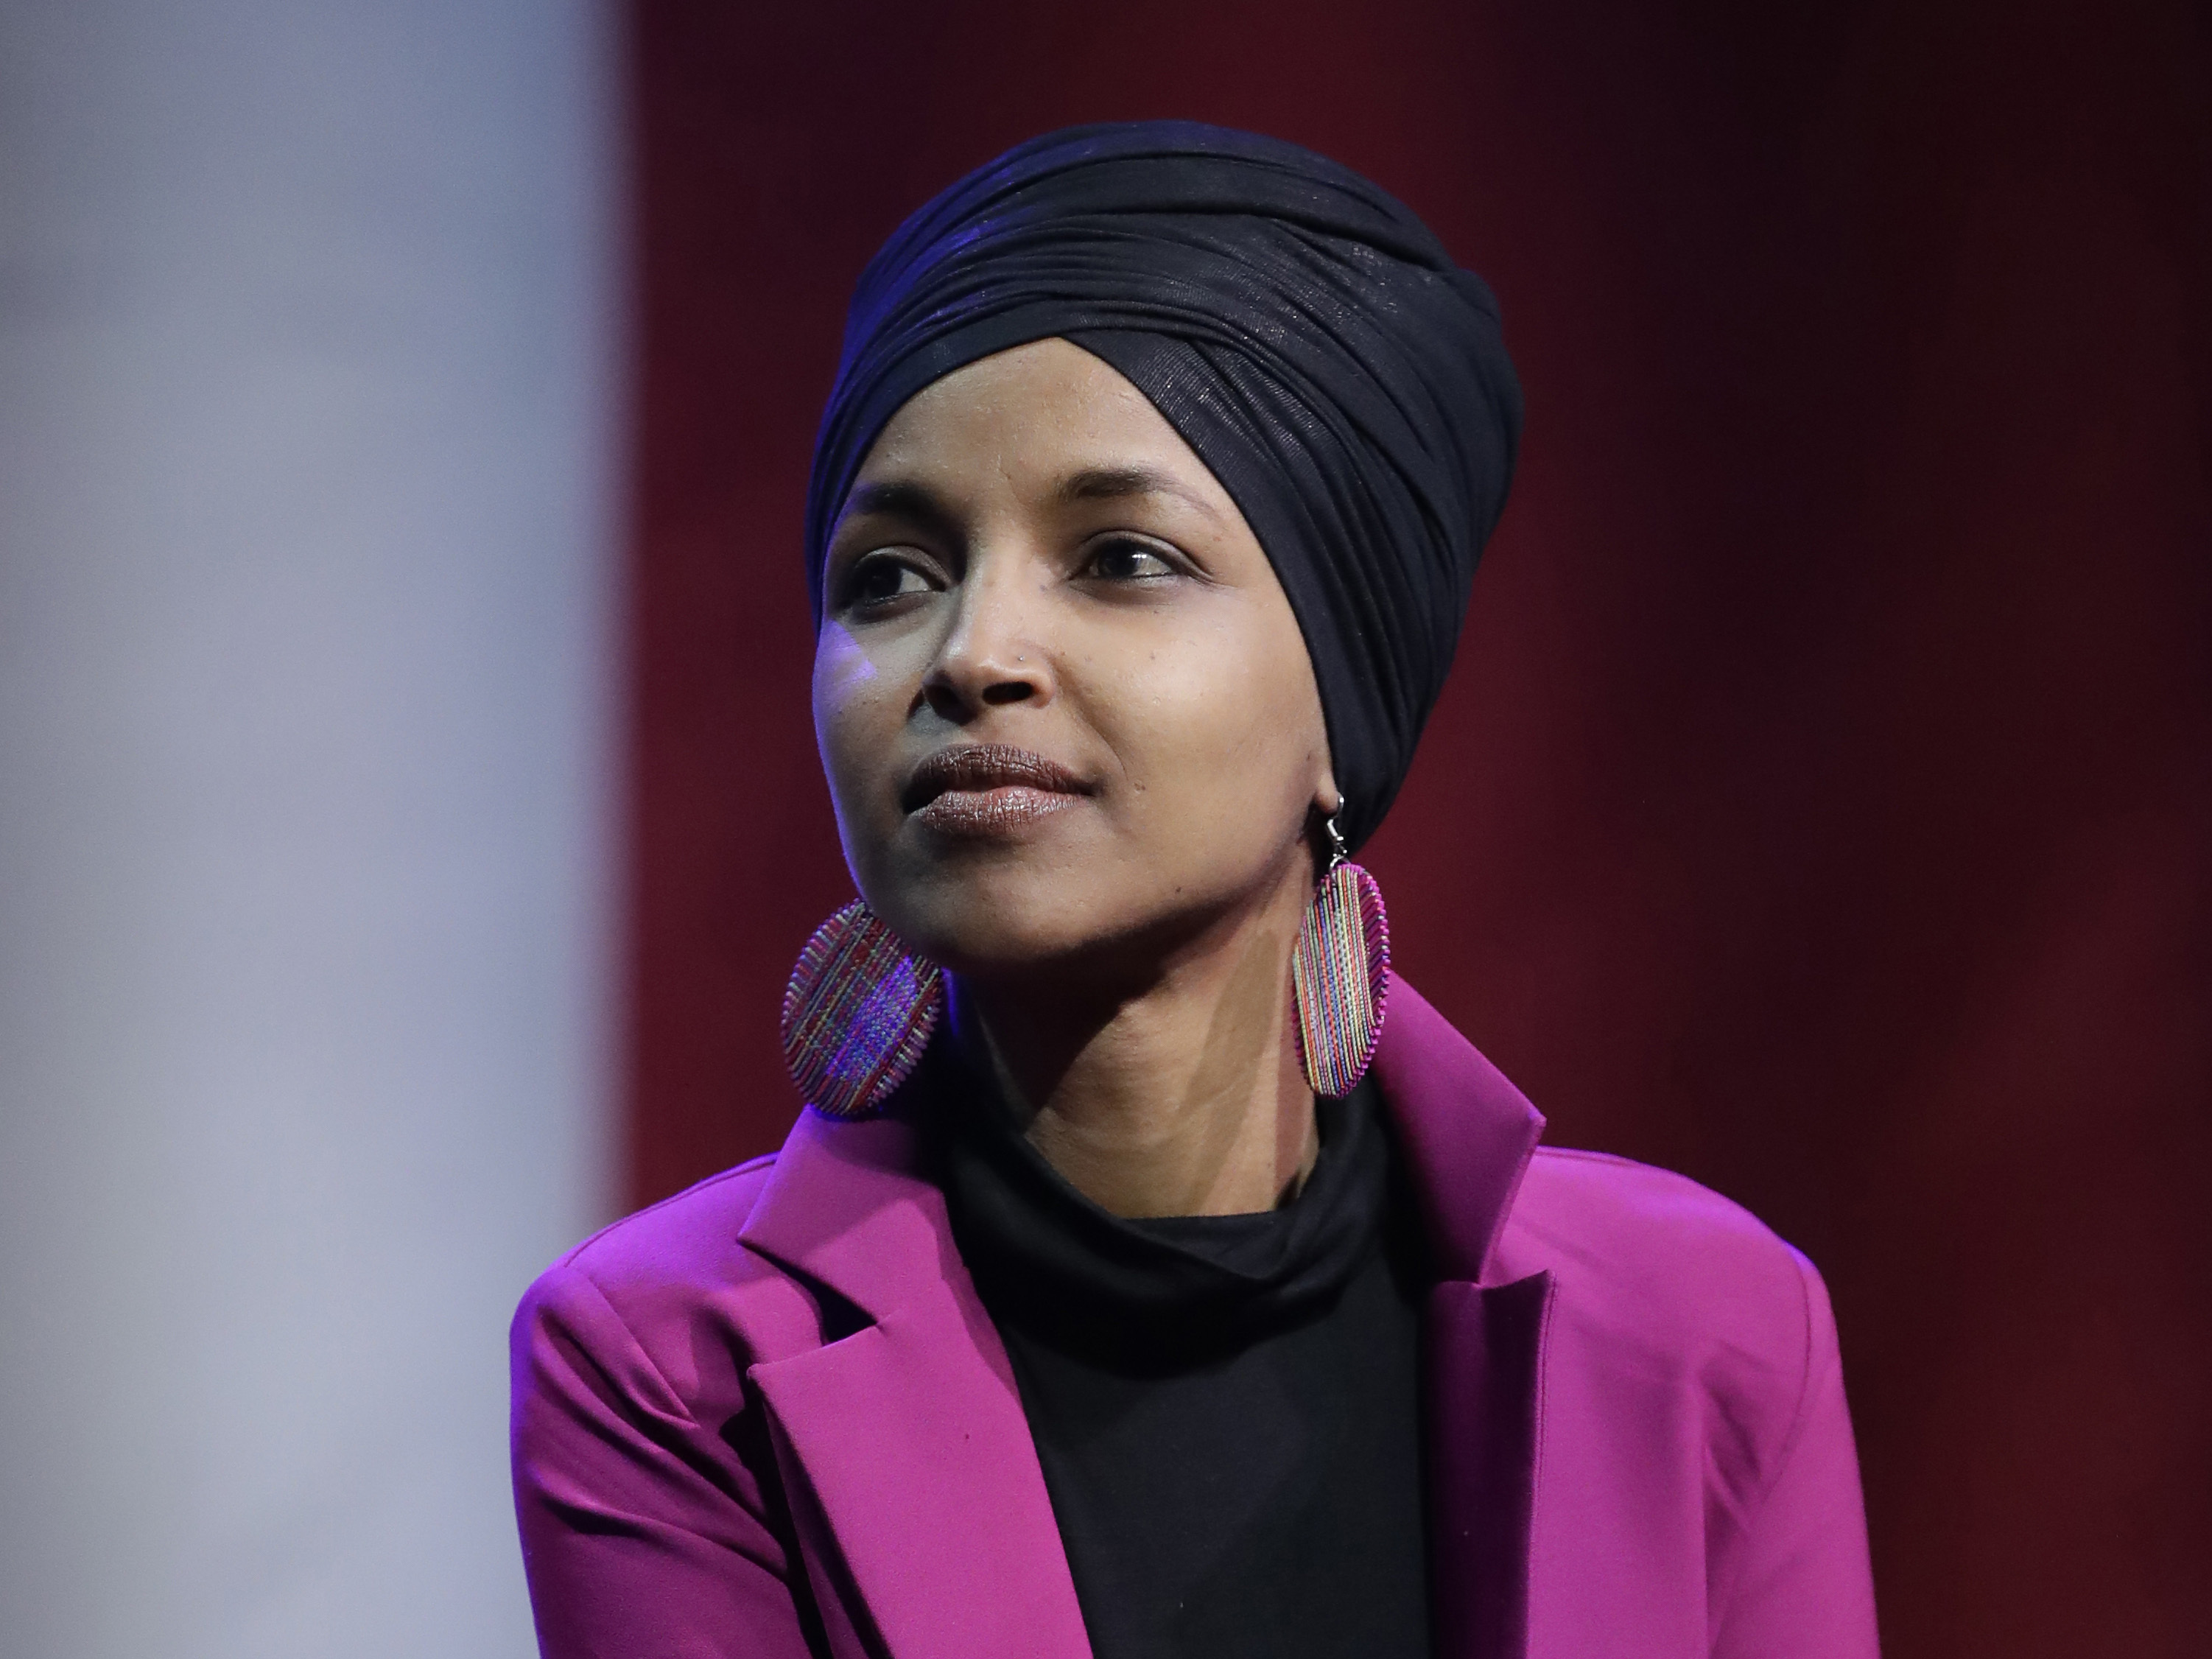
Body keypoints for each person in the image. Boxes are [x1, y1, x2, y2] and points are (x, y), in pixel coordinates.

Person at [509, 121, 1879, 1659]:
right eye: (889, 573)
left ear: (1340, 700)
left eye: (1118, 557)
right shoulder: (664, 1367)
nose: (970, 654)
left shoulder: (1706, 1334)